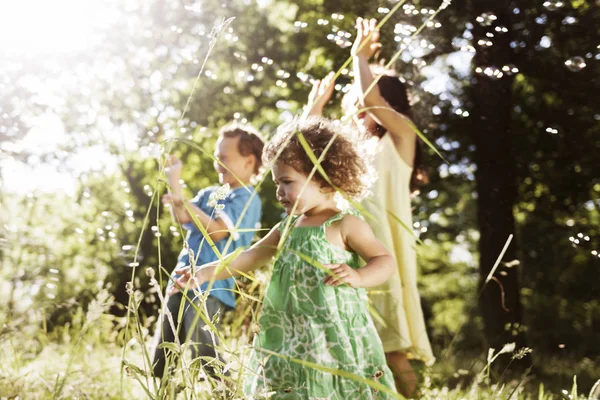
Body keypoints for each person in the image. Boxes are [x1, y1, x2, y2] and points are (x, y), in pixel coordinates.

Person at [170, 117, 398, 399]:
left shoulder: (345, 224)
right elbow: (251, 257)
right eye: (277, 182)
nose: (279, 191)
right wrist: (205, 273)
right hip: (290, 334)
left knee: (335, 386)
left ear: (324, 179)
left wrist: (360, 276)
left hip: (332, 331)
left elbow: (384, 260)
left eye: (287, 182)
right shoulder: (286, 227)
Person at [304, 17, 435, 398]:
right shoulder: (351, 156)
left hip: (383, 256)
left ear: (389, 105)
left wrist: (359, 58)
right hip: (346, 252)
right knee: (345, 351)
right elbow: (305, 154)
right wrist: (316, 107)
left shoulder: (402, 136)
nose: (360, 114)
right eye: (354, 109)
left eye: (365, 106)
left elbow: (372, 100)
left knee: (391, 350)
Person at [152, 123, 264, 381]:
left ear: (248, 163)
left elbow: (217, 231)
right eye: (216, 156)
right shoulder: (210, 193)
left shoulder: (246, 197)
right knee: (164, 348)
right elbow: (182, 216)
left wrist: (186, 204)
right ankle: (161, 390)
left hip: (212, 284)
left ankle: (225, 391)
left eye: (224, 157)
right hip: (182, 278)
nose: (217, 163)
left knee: (204, 348)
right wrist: (173, 180)